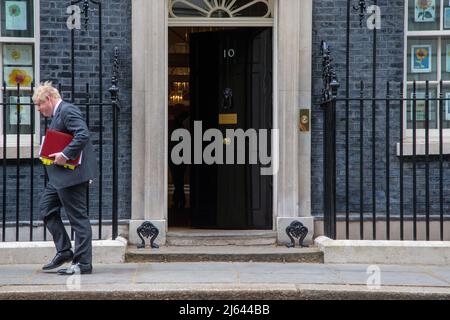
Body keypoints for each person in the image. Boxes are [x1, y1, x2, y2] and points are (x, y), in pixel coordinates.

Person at [34, 81, 98, 275]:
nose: (38, 109)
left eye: (39, 104)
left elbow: (83, 134)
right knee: (46, 209)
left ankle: (83, 263)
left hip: (72, 176)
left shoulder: (67, 111)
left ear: (49, 98)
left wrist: (65, 154)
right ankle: (64, 251)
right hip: (59, 178)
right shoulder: (59, 114)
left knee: (78, 219)